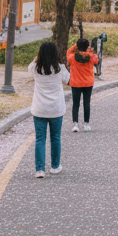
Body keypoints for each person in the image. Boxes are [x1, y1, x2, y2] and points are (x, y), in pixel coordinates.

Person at [28, 41, 70, 178]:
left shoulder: (35, 68)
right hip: (56, 109)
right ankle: (55, 167)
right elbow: (69, 80)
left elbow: (29, 67)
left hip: (39, 108)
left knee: (40, 139)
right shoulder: (59, 68)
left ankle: (40, 169)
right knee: (55, 138)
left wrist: (37, 58)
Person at [66, 37, 100, 132]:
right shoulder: (92, 57)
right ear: (87, 47)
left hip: (76, 83)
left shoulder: (72, 58)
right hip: (88, 83)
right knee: (86, 103)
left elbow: (68, 52)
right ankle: (86, 124)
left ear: (77, 46)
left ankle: (75, 124)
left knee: (75, 103)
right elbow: (97, 59)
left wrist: (76, 45)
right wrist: (89, 50)